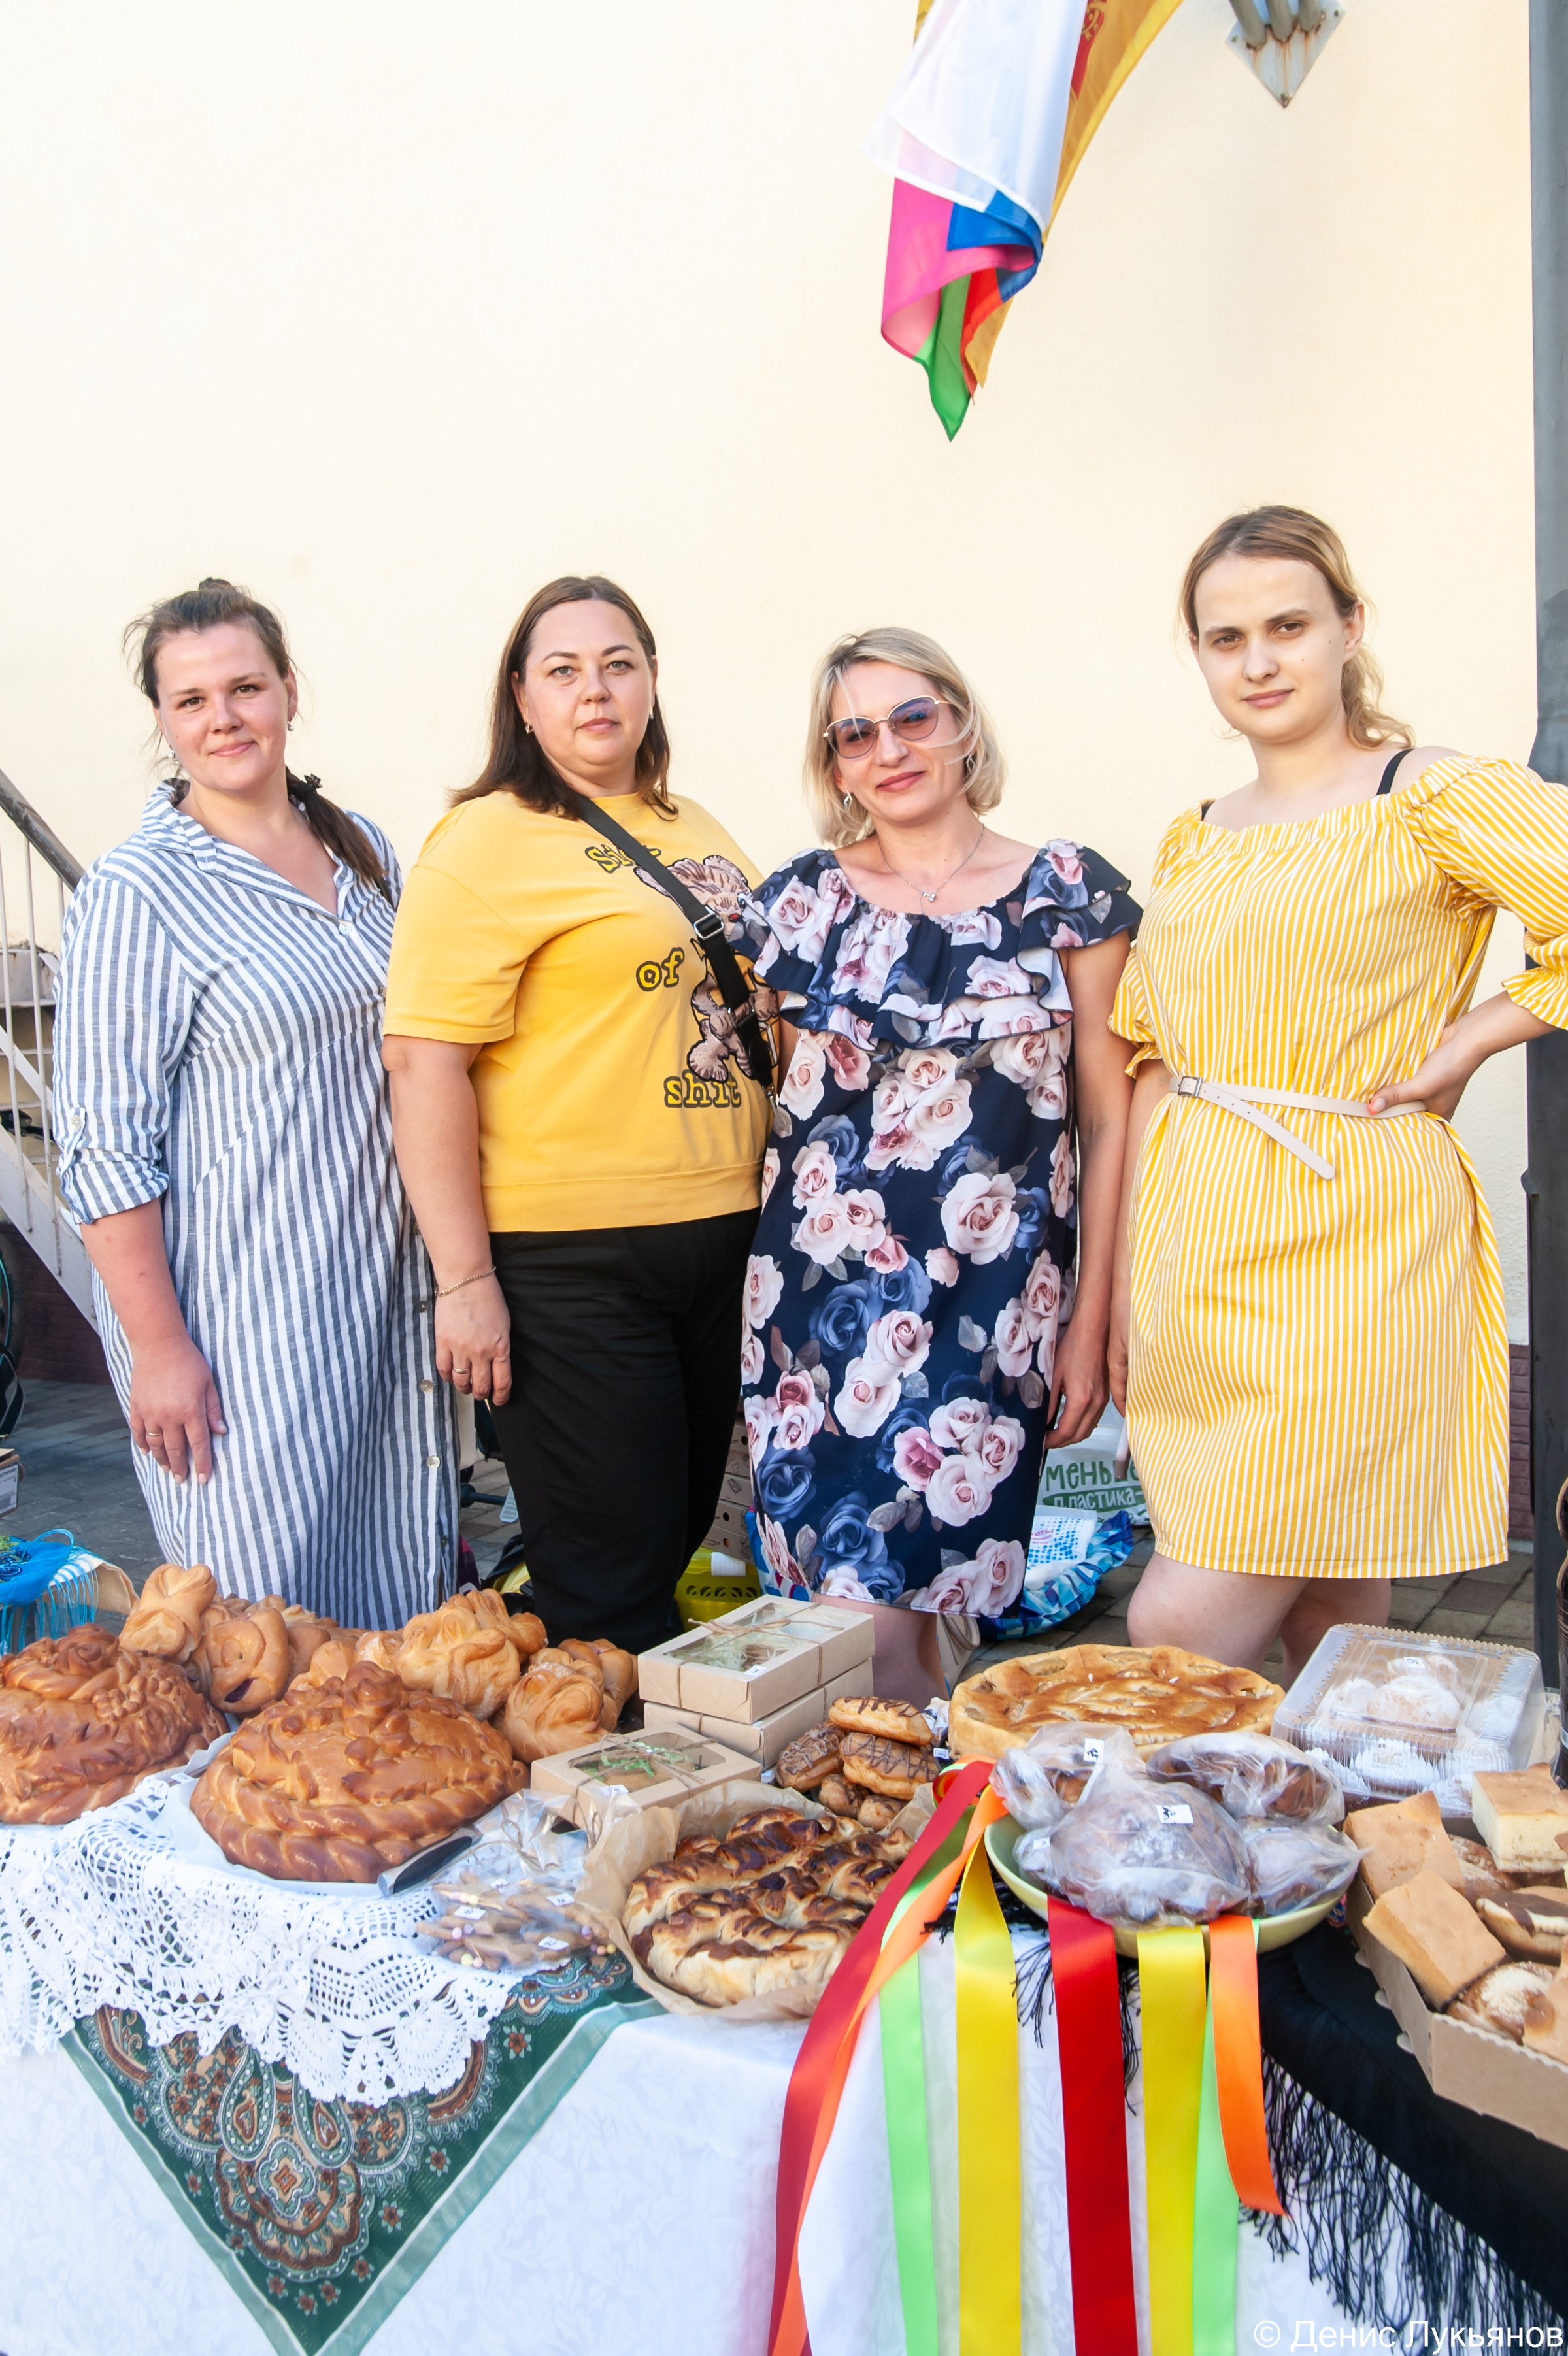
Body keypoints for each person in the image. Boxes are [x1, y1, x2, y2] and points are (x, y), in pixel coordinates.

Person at [1109, 506, 1568, 1684]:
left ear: (1348, 629)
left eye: (1288, 625)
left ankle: (1169, 1832)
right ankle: (1354, 1833)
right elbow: (1153, 1060)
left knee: (1176, 1622)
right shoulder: (1192, 836)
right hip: (1198, 1244)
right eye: (1225, 639)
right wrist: (1123, 1292)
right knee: (1330, 1617)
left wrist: (1474, 1036)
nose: (1258, 661)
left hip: (1352, 1228)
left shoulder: (1432, 792)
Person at [741, 628, 1138, 1704]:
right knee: (857, 1620)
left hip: (990, 1312)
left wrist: (1095, 1318)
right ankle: (904, 1830)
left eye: (913, 716)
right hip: (813, 1320)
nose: (890, 749)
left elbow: (1108, 1123)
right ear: (834, 766)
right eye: (855, 733)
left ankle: (904, 1830)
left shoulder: (1068, 895)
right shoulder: (797, 907)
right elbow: (774, 1106)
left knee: (906, 1610)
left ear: (962, 723)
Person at [54, 579, 455, 1625]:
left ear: (288, 692)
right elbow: (102, 1147)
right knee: (260, 1630)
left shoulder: (361, 848)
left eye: (244, 687)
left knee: (391, 1626)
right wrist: (161, 1351)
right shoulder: (136, 893)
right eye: (191, 701)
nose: (223, 717)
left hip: (378, 1309)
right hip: (241, 1329)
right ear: (162, 722)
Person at [382, 576, 769, 1654]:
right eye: (563, 669)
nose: (594, 689)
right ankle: (609, 1806)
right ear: (522, 697)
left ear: (651, 681)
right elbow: (422, 1063)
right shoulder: (485, 838)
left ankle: (652, 1792)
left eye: (619, 663)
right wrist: (464, 1282)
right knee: (609, 1577)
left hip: (721, 1232)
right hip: (574, 1257)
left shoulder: (696, 823)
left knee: (678, 1529)